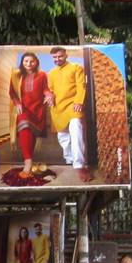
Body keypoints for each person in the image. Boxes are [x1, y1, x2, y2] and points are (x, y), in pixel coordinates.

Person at [46, 45, 90, 178]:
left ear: (66, 55)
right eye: (55, 57)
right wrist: (49, 97)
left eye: (60, 56)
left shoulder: (76, 68)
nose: (57, 59)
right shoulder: (51, 73)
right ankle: (69, 160)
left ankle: (79, 165)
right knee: (63, 137)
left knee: (76, 129)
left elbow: (81, 86)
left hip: (73, 105)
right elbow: (50, 90)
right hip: (58, 107)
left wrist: (78, 102)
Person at [9, 51, 50, 176]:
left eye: (31, 61)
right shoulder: (16, 75)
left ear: (36, 62)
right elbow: (12, 92)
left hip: (38, 109)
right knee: (24, 127)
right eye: (26, 61)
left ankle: (29, 159)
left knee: (30, 133)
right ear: (22, 62)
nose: (28, 63)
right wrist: (17, 103)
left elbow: (46, 89)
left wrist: (49, 96)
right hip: (24, 109)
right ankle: (28, 162)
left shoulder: (42, 75)